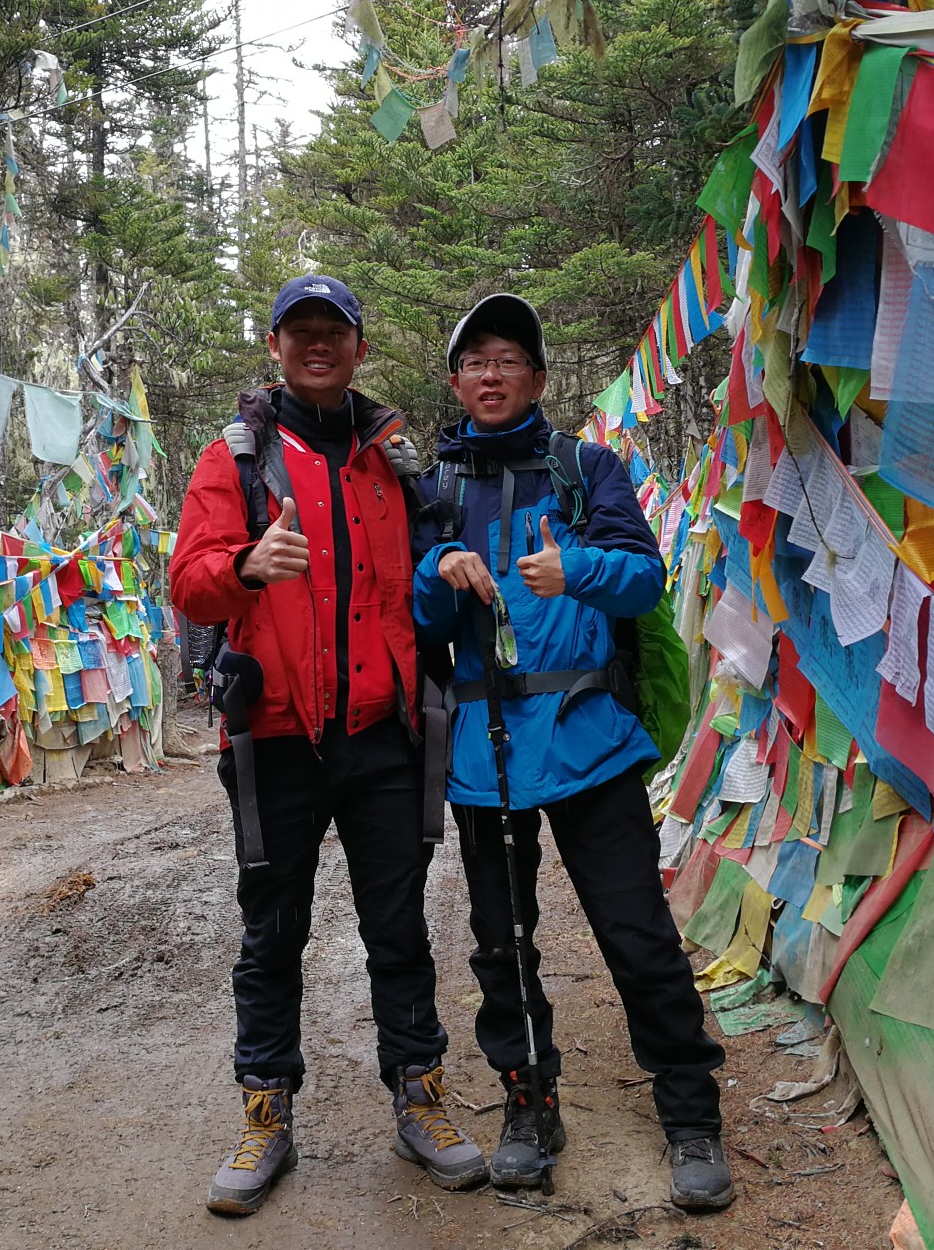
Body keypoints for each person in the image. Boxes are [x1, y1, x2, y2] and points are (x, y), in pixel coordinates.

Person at [171, 276, 486, 1216]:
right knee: (273, 933)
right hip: (273, 737)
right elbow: (188, 583)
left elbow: (421, 576)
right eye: (299, 331)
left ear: (358, 346)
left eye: (333, 332)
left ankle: (419, 1097)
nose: (317, 345)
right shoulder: (237, 457)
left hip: (381, 736)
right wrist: (243, 564)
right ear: (274, 345)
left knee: (398, 927)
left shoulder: (391, 457)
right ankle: (266, 1112)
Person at [413, 294, 733, 1212]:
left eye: (509, 358)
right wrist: (440, 575)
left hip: (590, 740)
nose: (491, 374)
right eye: (474, 361)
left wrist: (576, 570)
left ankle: (690, 1113)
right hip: (485, 752)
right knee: (501, 947)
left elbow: (644, 582)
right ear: (455, 383)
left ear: (539, 379)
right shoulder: (436, 492)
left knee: (636, 935)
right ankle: (528, 1105)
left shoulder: (587, 468)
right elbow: (416, 618)